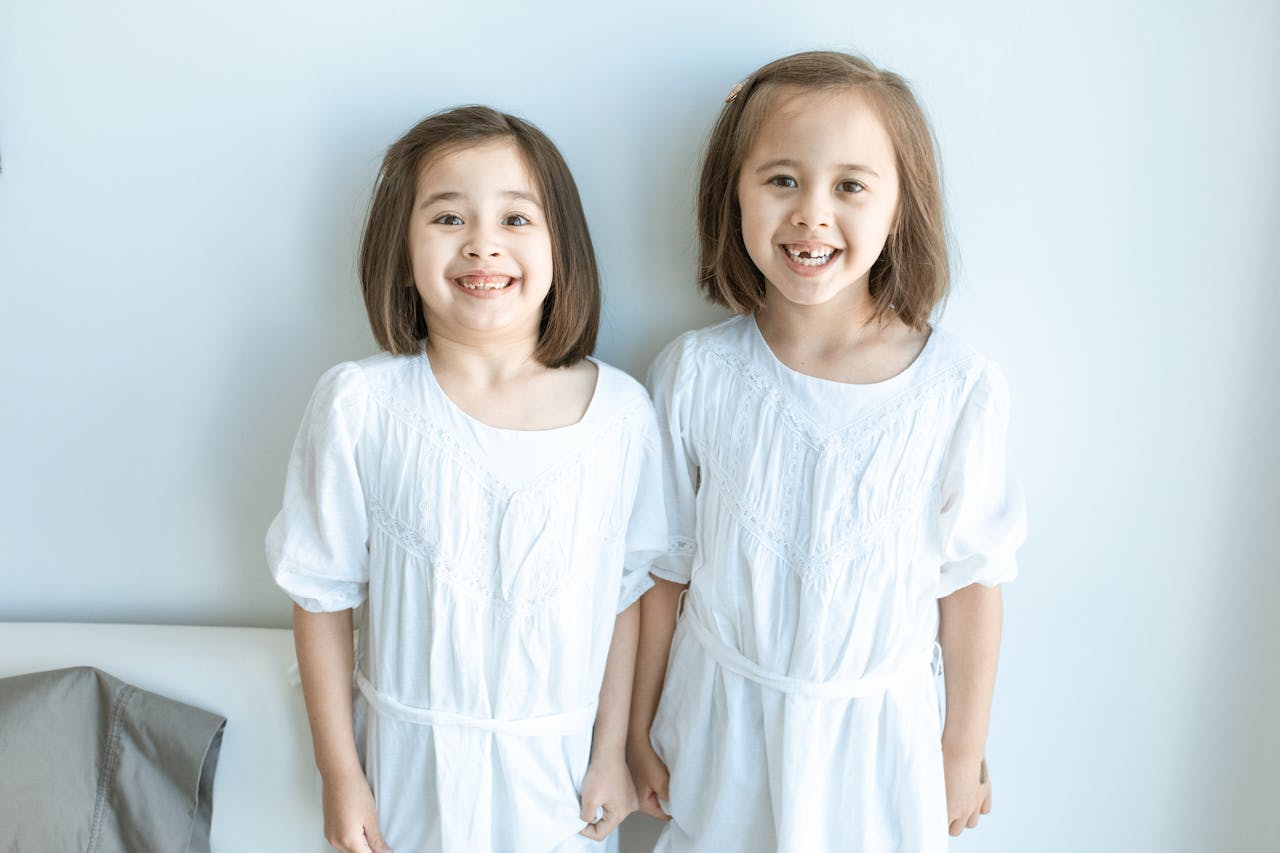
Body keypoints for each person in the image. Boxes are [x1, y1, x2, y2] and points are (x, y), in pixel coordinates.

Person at [627, 51, 1027, 852]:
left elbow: (973, 580)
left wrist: (961, 748)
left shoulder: (957, 387)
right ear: (730, 194)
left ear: (899, 207)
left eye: (849, 185)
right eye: (782, 180)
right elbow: (659, 571)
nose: (812, 215)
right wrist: (635, 731)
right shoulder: (696, 373)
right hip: (722, 726)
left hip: (878, 743)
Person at [267, 105, 666, 853]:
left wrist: (611, 748)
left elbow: (626, 598)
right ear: (402, 245)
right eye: (448, 217)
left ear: (561, 246)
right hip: (410, 779)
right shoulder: (363, 404)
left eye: (517, 219)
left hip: (559, 784)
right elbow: (321, 596)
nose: (483, 242)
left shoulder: (620, 413)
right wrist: (340, 773)